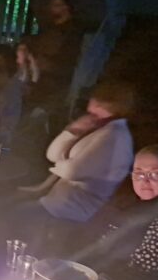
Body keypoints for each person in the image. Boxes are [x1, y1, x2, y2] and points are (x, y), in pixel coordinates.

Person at [22, 81, 135, 224]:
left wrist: (60, 166)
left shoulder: (114, 136)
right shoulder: (100, 128)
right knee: (10, 206)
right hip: (55, 202)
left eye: (95, 108)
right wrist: (73, 130)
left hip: (71, 211)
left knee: (10, 215)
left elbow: (72, 171)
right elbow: (52, 155)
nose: (89, 113)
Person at [85, 145, 158, 277]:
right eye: (139, 173)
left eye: (155, 174)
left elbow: (146, 268)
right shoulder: (126, 202)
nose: (145, 181)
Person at [27, 0, 84, 125]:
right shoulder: (50, 30)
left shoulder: (72, 33)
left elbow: (68, 62)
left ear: (66, 7)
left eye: (57, 5)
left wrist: (47, 64)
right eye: (52, 5)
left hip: (56, 86)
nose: (52, 8)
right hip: (42, 82)